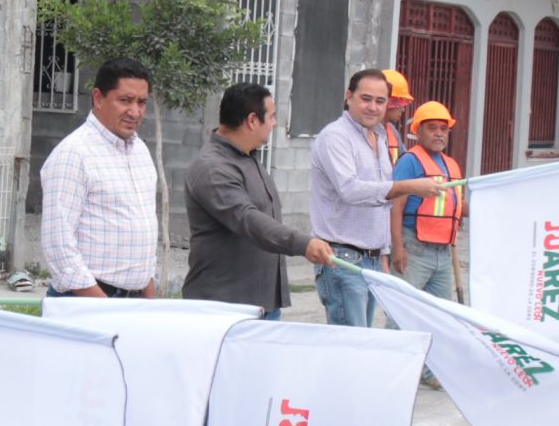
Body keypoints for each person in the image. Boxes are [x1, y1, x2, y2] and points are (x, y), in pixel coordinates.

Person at [309, 69, 451, 329]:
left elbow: (383, 203)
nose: (373, 107)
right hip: (342, 256)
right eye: (366, 99)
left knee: (365, 344)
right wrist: (407, 186)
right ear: (349, 97)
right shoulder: (335, 136)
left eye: (380, 101)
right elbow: (350, 190)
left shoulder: (382, 136)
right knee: (350, 346)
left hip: (372, 258)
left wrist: (383, 253)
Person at [184, 81, 334, 316]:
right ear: (253, 120)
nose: (275, 123)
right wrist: (302, 244)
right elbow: (248, 219)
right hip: (226, 307)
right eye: (272, 116)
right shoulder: (213, 168)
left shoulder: (246, 156)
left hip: (261, 302)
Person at [41, 55, 159, 299]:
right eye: (125, 100)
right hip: (86, 300)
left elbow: (144, 231)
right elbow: (59, 246)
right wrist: (103, 307)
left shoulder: (140, 151)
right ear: (98, 98)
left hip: (133, 302)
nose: (135, 112)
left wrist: (149, 301)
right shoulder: (74, 153)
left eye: (142, 102)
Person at [391, 100, 469, 302]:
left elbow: (458, 205)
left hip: (443, 253)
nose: (439, 133)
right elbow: (395, 207)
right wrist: (397, 248)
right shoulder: (410, 160)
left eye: (444, 129)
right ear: (418, 131)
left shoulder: (451, 165)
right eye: (432, 128)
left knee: (440, 316)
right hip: (414, 249)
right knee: (403, 313)